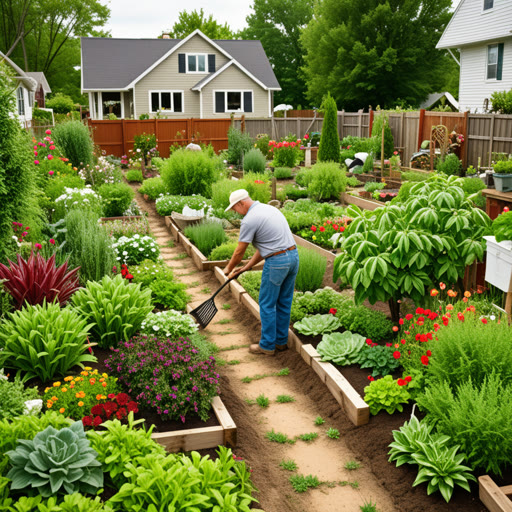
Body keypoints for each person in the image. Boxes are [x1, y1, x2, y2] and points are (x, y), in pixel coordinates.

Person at [223, 189, 299, 355]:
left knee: (267, 303)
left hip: (277, 262)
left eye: (235, 209)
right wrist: (245, 267)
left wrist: (227, 269)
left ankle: (267, 345)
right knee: (284, 302)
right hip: (293, 257)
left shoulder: (249, 220)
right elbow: (265, 248)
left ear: (241, 203)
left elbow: (239, 252)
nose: (236, 213)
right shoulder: (268, 209)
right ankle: (280, 342)